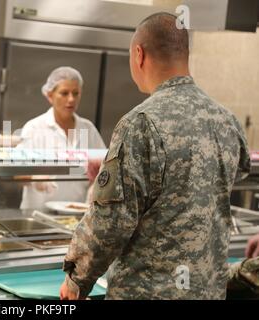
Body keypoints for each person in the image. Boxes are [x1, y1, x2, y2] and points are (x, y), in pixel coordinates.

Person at [60, 12, 251, 300]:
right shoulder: (227, 120)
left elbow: (110, 221)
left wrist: (76, 280)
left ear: (138, 54)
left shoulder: (141, 122)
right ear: (186, 55)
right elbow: (216, 178)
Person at [17, 66, 106, 210]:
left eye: (76, 93)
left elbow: (105, 165)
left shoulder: (88, 128)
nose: (71, 99)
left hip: (77, 213)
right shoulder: (34, 128)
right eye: (64, 93)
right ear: (50, 95)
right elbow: (16, 172)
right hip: (38, 214)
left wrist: (96, 186)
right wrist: (34, 178)